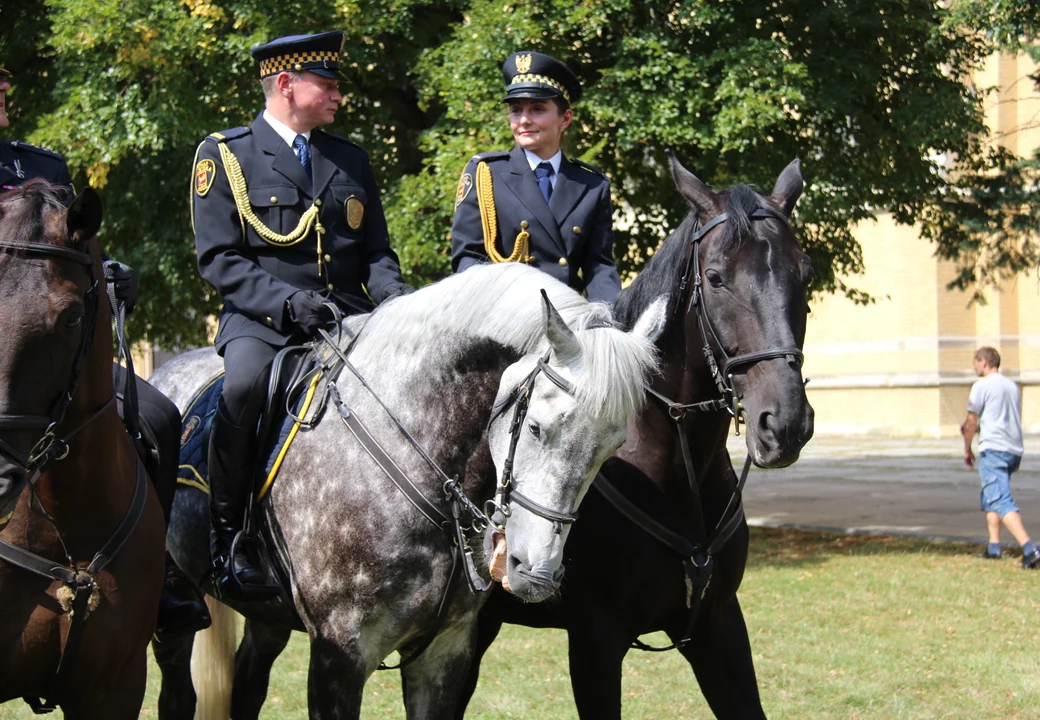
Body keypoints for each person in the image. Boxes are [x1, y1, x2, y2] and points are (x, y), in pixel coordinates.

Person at [191, 31, 413, 600]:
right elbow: (219, 258)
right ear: (287, 85)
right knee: (242, 389)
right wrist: (285, 303)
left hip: (349, 318)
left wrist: (394, 298)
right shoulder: (226, 155)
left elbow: (376, 253)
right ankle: (230, 535)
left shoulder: (349, 158)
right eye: (328, 84)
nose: (339, 94)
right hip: (264, 321)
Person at [0, 65, 211, 634]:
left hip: (46, 350)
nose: (1, 93)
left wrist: (102, 270)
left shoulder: (41, 166)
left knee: (159, 416)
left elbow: (70, 243)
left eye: (1, 84)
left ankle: (160, 578)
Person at [450, 50, 621, 304]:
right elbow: (468, 259)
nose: (524, 120)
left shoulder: (591, 184)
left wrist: (612, 320)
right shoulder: (486, 175)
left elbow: (599, 267)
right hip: (502, 317)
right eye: (516, 110)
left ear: (565, 119)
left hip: (567, 318)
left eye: (538, 109)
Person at [961, 346, 1040, 568]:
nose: (973, 367)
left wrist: (967, 447)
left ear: (984, 362)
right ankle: (994, 548)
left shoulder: (981, 386)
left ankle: (1030, 549)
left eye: (975, 362)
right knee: (991, 495)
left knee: (999, 498)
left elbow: (971, 422)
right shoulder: (1012, 386)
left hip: (994, 448)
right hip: (1013, 449)